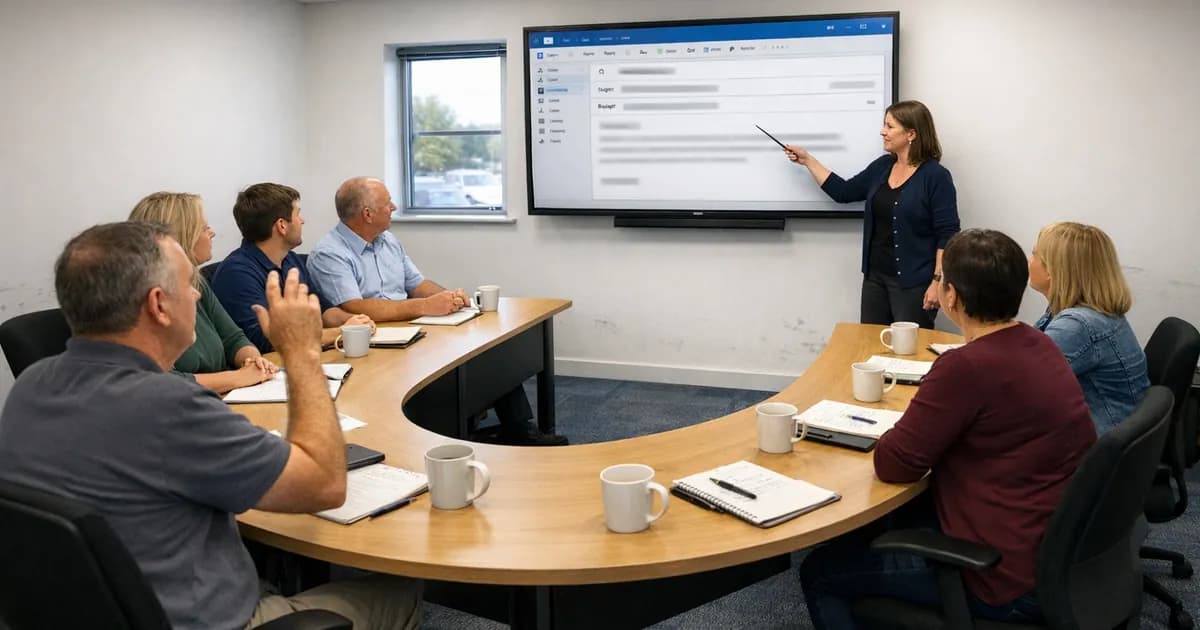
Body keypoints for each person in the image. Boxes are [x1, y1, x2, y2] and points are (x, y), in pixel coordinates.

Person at [0, 222, 420, 630]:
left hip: (85, 611)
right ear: (158, 305)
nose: (198, 297)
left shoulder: (31, 384)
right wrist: (303, 354)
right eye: (190, 285)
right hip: (213, 618)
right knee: (400, 593)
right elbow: (325, 485)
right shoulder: (169, 407)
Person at [800, 229, 1096, 627]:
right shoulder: (1037, 341)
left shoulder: (966, 367)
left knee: (819, 571)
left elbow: (894, 465)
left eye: (940, 281)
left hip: (1000, 575)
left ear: (952, 296)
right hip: (1050, 547)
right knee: (880, 528)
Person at [306, 176, 567, 447]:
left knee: (488, 347)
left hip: (406, 327)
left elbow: (417, 284)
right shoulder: (330, 253)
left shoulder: (388, 241)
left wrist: (448, 297)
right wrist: (424, 306)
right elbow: (353, 307)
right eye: (387, 203)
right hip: (373, 340)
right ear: (367, 214)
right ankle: (455, 430)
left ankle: (519, 428)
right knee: (450, 365)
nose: (394, 207)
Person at [784, 100, 960, 329]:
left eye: (889, 126)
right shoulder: (883, 166)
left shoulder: (936, 176)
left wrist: (937, 282)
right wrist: (808, 160)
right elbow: (844, 192)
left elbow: (947, 234)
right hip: (875, 279)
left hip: (914, 283)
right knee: (871, 347)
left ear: (911, 134)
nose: (882, 132)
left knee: (908, 355)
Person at [129, 192, 276, 394]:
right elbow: (158, 380)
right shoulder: (143, 300)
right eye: (204, 227)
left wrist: (253, 360)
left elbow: (234, 339)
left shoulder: (197, 283)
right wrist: (238, 377)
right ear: (181, 237)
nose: (212, 233)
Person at [212, 182, 375, 352]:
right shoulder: (236, 274)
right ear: (282, 225)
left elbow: (323, 309)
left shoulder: (290, 259)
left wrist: (354, 320)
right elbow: (266, 340)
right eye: (298, 214)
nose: (302, 221)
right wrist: (342, 332)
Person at [1029, 222, 1150, 433]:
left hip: (1099, 445)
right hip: (1114, 432)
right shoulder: (1091, 311)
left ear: (1051, 270)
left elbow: (1021, 383)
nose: (1029, 262)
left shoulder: (1078, 325)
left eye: (1034, 255)